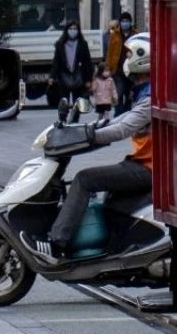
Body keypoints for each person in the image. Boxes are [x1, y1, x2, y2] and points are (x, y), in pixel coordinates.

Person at [22, 32, 153, 261]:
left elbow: (123, 129)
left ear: (141, 57)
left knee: (84, 179)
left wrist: (91, 136)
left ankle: (57, 242)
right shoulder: (144, 92)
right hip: (142, 163)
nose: (125, 59)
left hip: (149, 168)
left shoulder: (151, 96)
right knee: (108, 192)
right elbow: (117, 121)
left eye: (129, 54)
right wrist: (87, 129)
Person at [50, 20, 93, 104]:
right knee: (64, 101)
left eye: (75, 29)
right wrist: (52, 76)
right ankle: (63, 115)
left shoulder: (82, 44)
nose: (73, 31)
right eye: (70, 28)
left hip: (78, 77)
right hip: (64, 76)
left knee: (77, 102)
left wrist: (88, 79)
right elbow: (56, 61)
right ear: (66, 30)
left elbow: (87, 62)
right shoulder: (60, 44)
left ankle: (75, 116)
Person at [103, 13, 135, 111]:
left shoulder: (135, 35)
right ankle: (118, 114)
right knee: (119, 93)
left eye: (127, 21)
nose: (125, 23)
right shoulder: (114, 35)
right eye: (123, 21)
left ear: (130, 22)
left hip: (131, 71)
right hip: (118, 70)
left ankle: (127, 112)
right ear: (120, 23)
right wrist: (108, 68)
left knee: (130, 95)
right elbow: (109, 52)